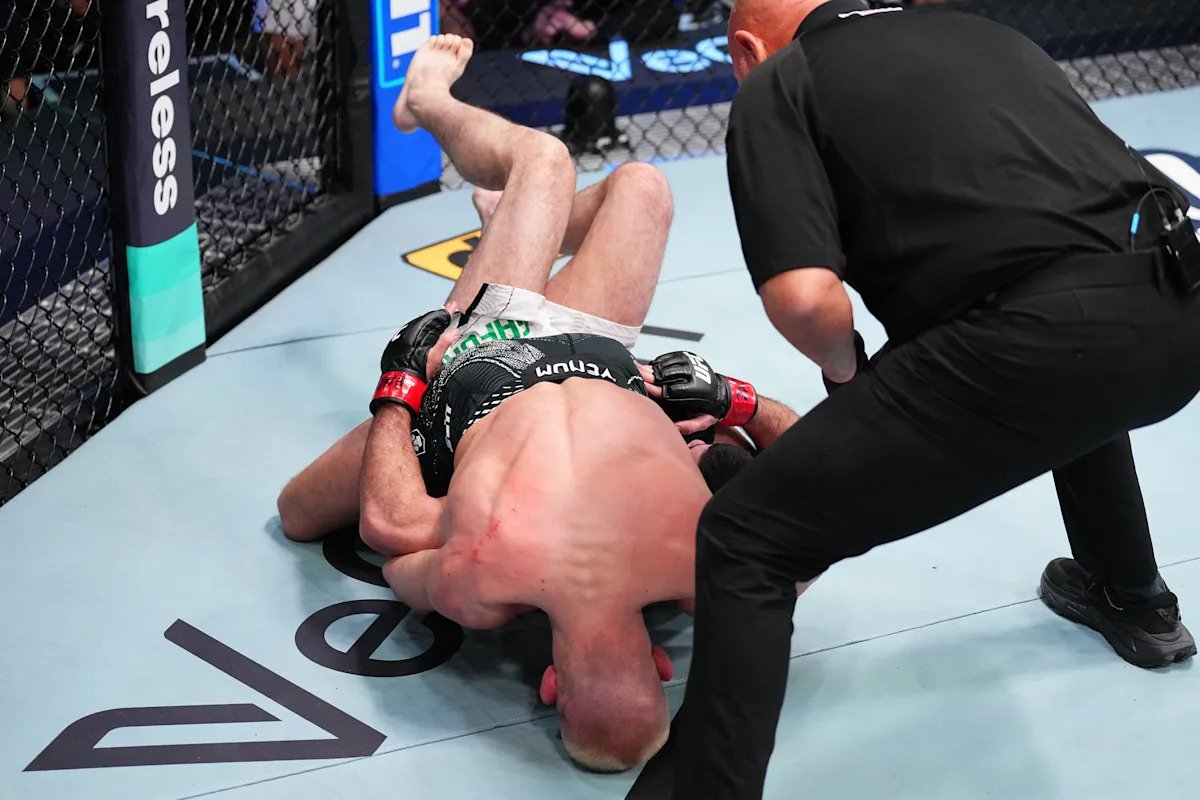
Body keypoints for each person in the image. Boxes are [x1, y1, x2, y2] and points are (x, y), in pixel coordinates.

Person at [671, 1, 1200, 797]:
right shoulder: (986, 33)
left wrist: (847, 374)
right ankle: (1135, 599)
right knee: (1076, 343)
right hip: (1178, 308)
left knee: (746, 538)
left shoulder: (780, 83)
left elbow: (805, 300)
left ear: (746, 50)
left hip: (1038, 342)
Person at [275, 34, 776, 771]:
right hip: (591, 350)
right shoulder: (490, 586)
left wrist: (404, 383)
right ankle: (510, 220)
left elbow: (390, 520)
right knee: (641, 186)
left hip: (483, 359)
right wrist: (733, 402)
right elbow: (395, 537)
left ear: (660, 668)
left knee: (543, 161)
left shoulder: (700, 570)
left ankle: (432, 107)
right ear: (552, 685)